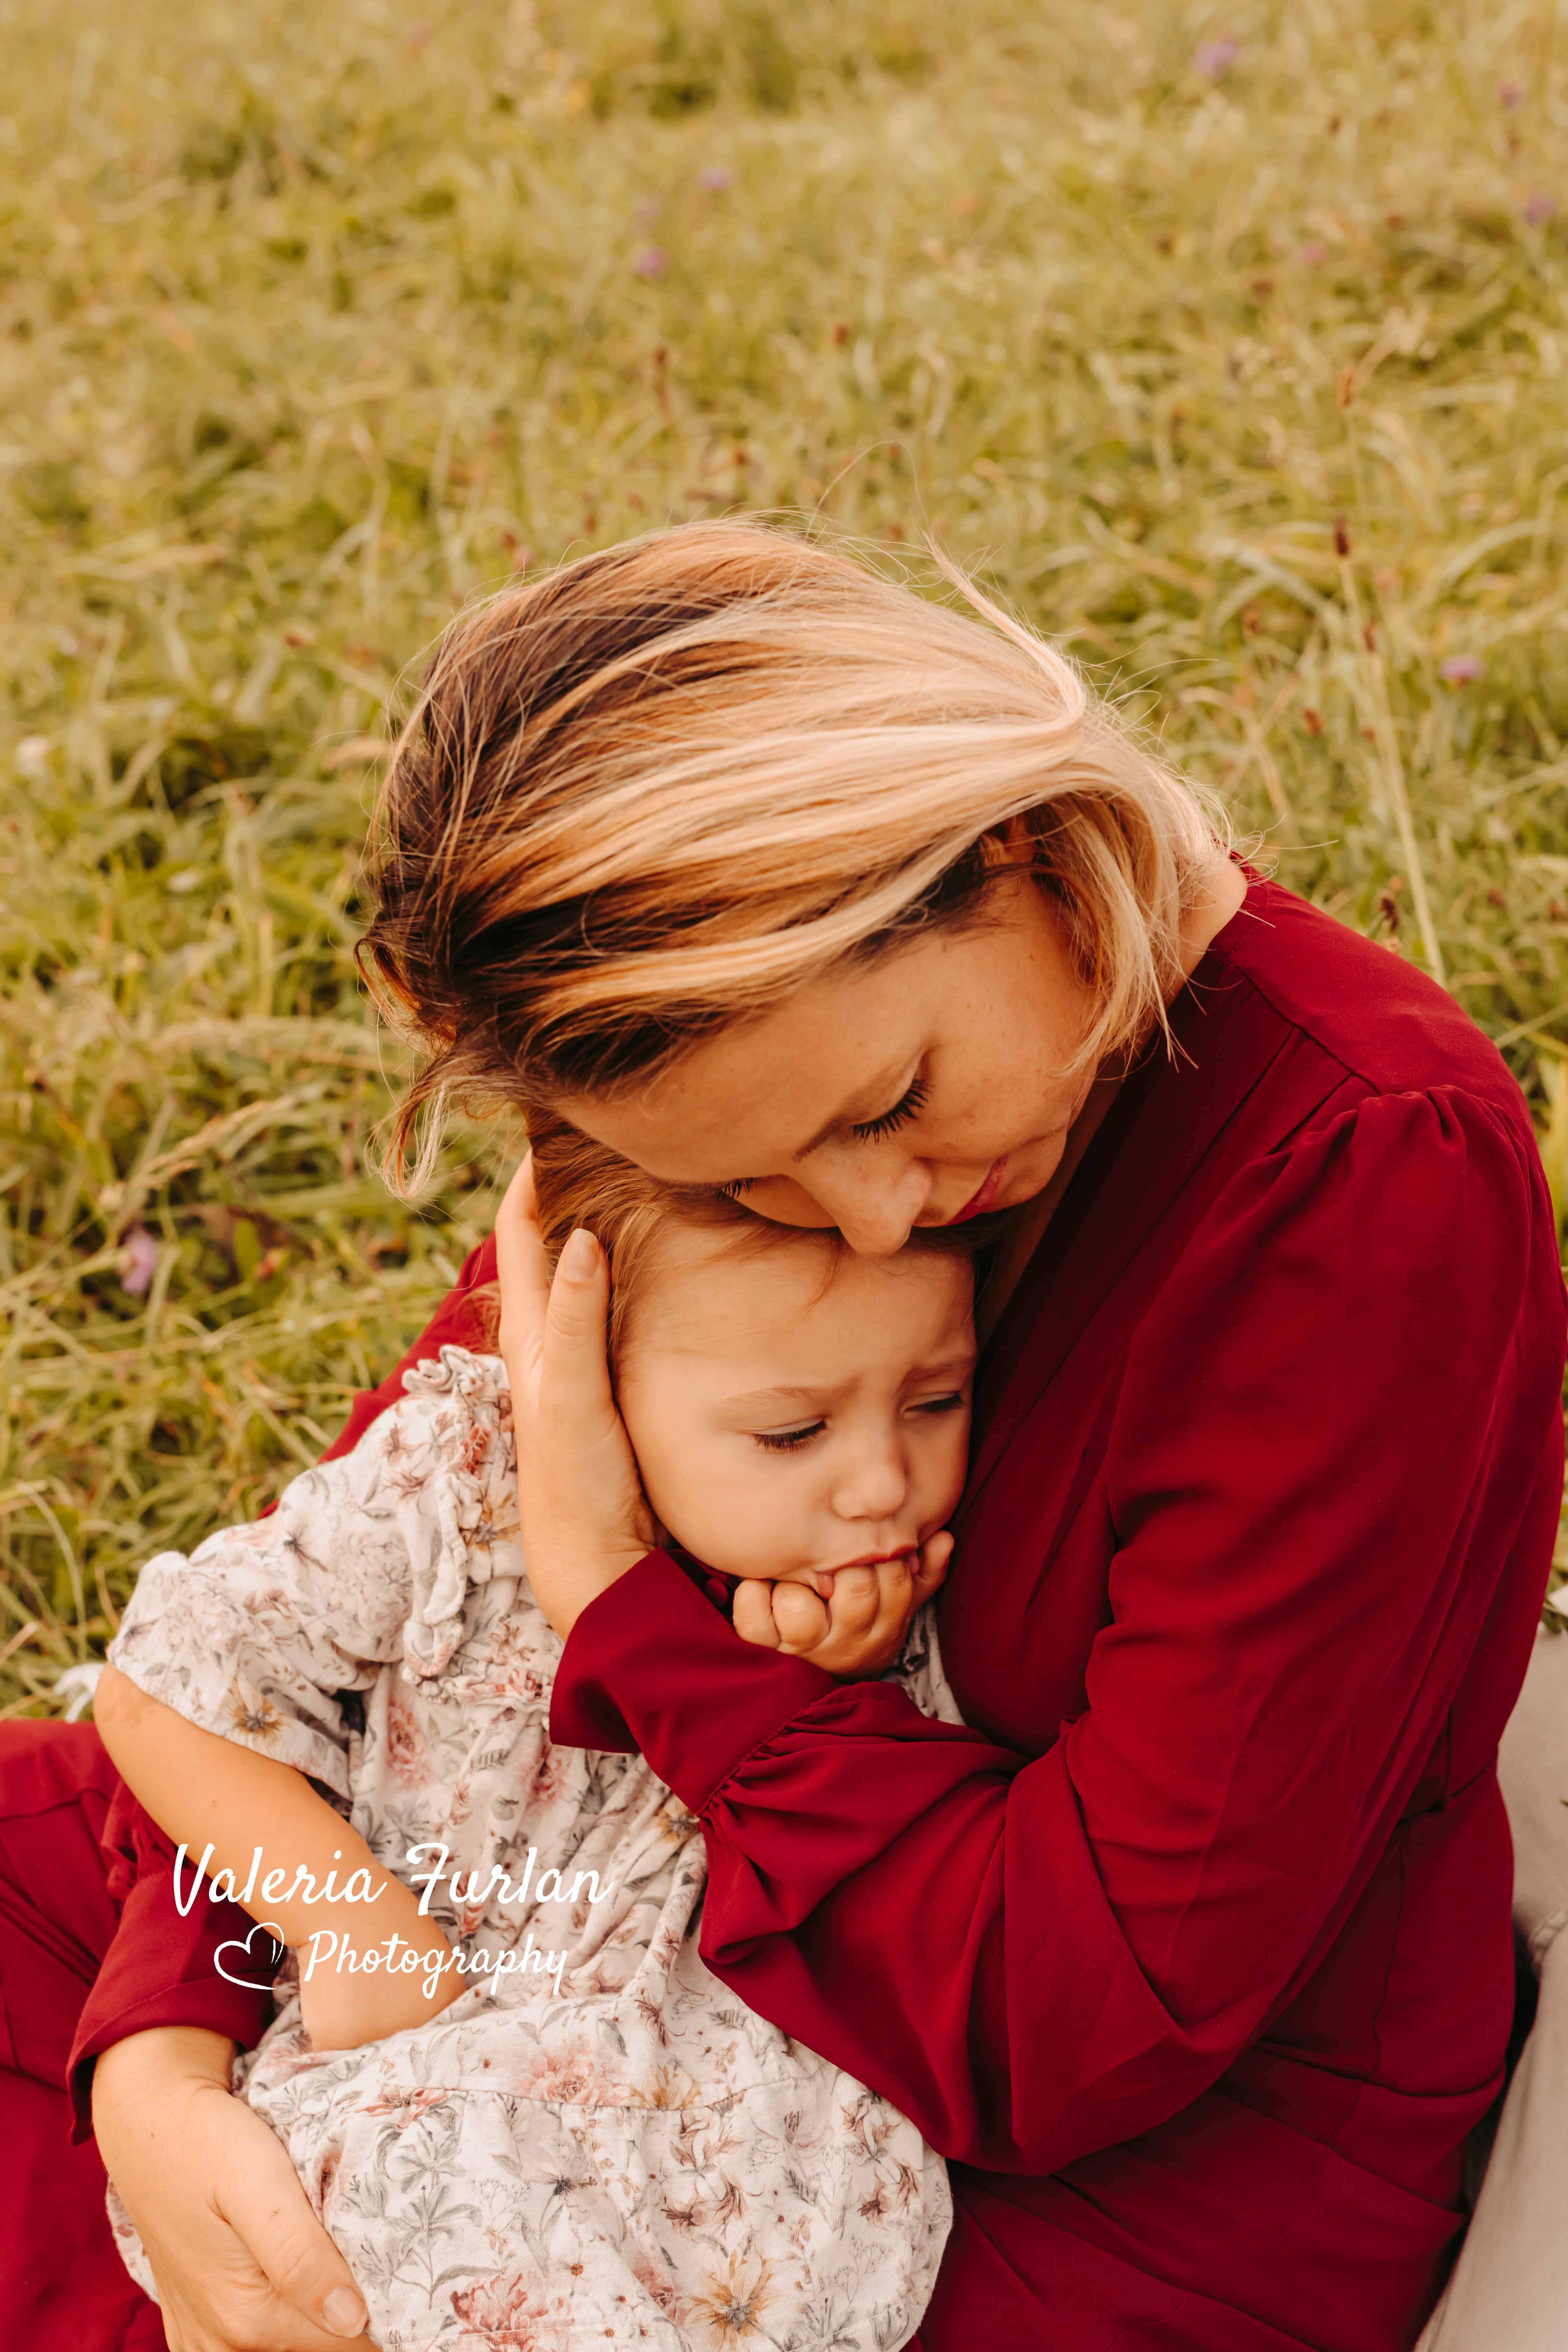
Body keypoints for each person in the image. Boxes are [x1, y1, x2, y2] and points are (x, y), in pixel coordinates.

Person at [2, 519, 1563, 2352]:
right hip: (572, 1900)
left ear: (1007, 837)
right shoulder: (734, 1062)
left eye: (891, 1101)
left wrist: (626, 1619)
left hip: (1070, 2149)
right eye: (750, 1178)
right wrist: (167, 2071)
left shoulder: (1362, 1171)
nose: (883, 1219)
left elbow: (1090, 2018)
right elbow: (326, 1632)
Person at [88, 1126, 976, 2351]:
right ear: (593, 1385)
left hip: (721, 2127)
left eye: (937, 1398)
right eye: (791, 1433)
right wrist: (350, 1923)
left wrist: (837, 1684)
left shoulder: (898, 1589)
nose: (886, 1480)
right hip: (447, 2029)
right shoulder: (466, 1484)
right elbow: (165, 1681)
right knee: (390, 2240)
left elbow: (929, 1880)